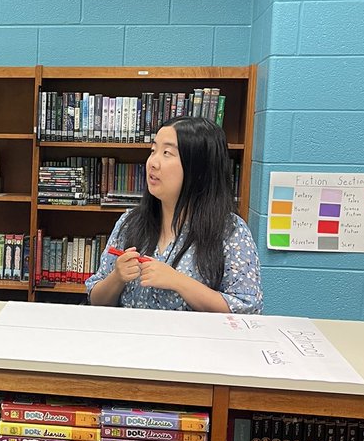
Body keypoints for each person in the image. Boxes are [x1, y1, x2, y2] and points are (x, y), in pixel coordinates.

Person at [85, 114, 263, 313]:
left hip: (196, 343)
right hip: (132, 341)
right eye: (153, 151)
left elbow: (247, 309)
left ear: (199, 167)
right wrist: (117, 277)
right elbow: (96, 300)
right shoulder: (130, 222)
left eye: (167, 153)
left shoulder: (230, 231)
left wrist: (178, 281)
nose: (153, 162)